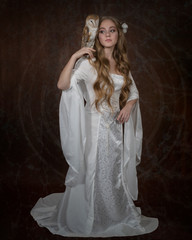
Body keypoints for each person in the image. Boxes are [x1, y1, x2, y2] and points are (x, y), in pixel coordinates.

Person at [30, 15, 158, 237]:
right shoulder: (89, 63)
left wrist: (128, 105)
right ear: (97, 36)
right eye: (102, 31)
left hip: (115, 130)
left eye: (112, 30)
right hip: (92, 128)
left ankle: (114, 213)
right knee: (91, 171)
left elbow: (134, 92)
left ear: (118, 35)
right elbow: (63, 84)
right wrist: (74, 56)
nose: (107, 34)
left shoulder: (122, 64)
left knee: (112, 172)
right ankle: (87, 217)